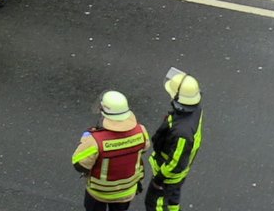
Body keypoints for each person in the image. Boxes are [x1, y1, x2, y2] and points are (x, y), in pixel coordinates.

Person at [72, 91, 150, 210]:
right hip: (126, 192)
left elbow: (79, 164)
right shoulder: (141, 131)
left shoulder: (95, 141)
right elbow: (143, 149)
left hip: (99, 193)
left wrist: (85, 140)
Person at [145, 71, 204, 211]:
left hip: (168, 175)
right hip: (180, 173)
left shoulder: (181, 132)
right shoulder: (195, 110)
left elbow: (176, 162)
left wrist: (159, 179)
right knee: (173, 198)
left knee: (154, 204)